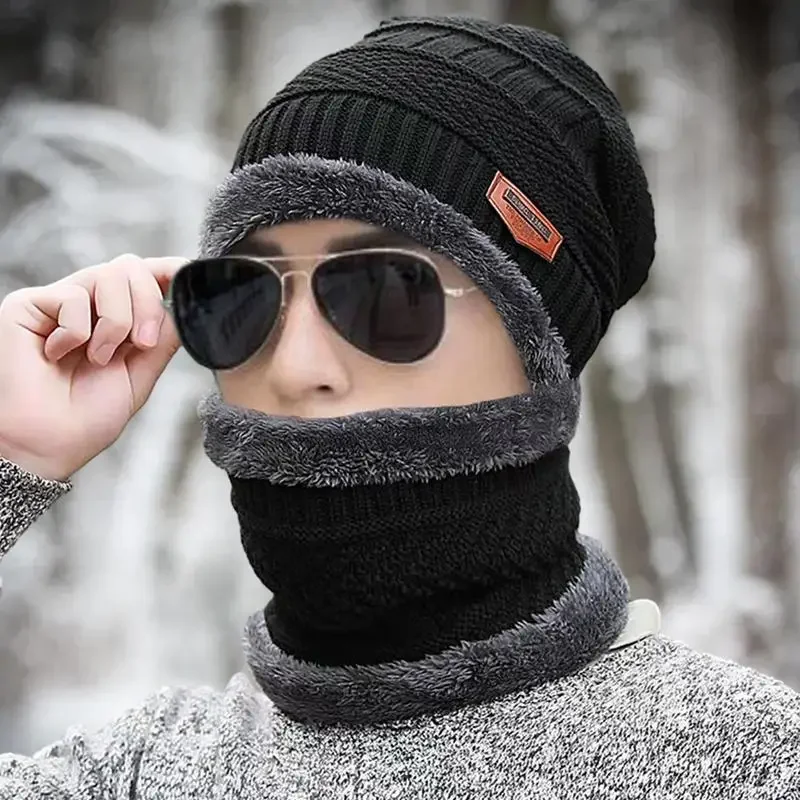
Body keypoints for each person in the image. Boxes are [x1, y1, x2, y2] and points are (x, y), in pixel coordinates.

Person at [0, 15, 798, 800]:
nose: (296, 365)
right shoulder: (139, 773)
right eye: (241, 296)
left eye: (383, 290)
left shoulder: (748, 761)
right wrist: (13, 457)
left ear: (538, 349)